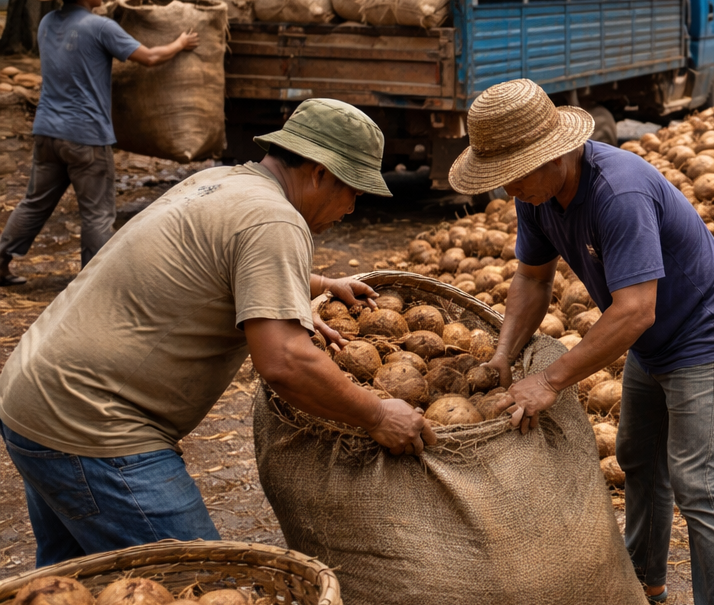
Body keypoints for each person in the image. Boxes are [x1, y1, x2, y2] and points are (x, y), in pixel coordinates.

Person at [0, 98, 435, 565]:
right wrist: (376, 415)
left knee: (69, 597)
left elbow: (217, 261)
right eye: (353, 191)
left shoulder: (221, 181)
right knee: (207, 592)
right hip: (93, 424)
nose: (351, 208)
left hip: (33, 392)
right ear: (318, 172)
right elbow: (284, 362)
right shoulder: (276, 220)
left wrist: (322, 283)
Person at [448, 80, 714, 605]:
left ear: (552, 155)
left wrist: (552, 379)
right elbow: (532, 279)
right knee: (639, 457)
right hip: (652, 338)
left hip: (703, 332)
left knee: (701, 482)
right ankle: (642, 582)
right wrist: (505, 355)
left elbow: (635, 310)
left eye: (513, 176)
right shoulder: (536, 197)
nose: (507, 190)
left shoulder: (616, 191)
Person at [0, 0, 200, 285]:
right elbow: (148, 57)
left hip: (47, 131)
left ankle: (1, 260)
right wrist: (179, 43)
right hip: (86, 137)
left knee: (34, 203)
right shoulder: (100, 27)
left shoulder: (47, 23)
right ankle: (95, 283)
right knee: (96, 213)